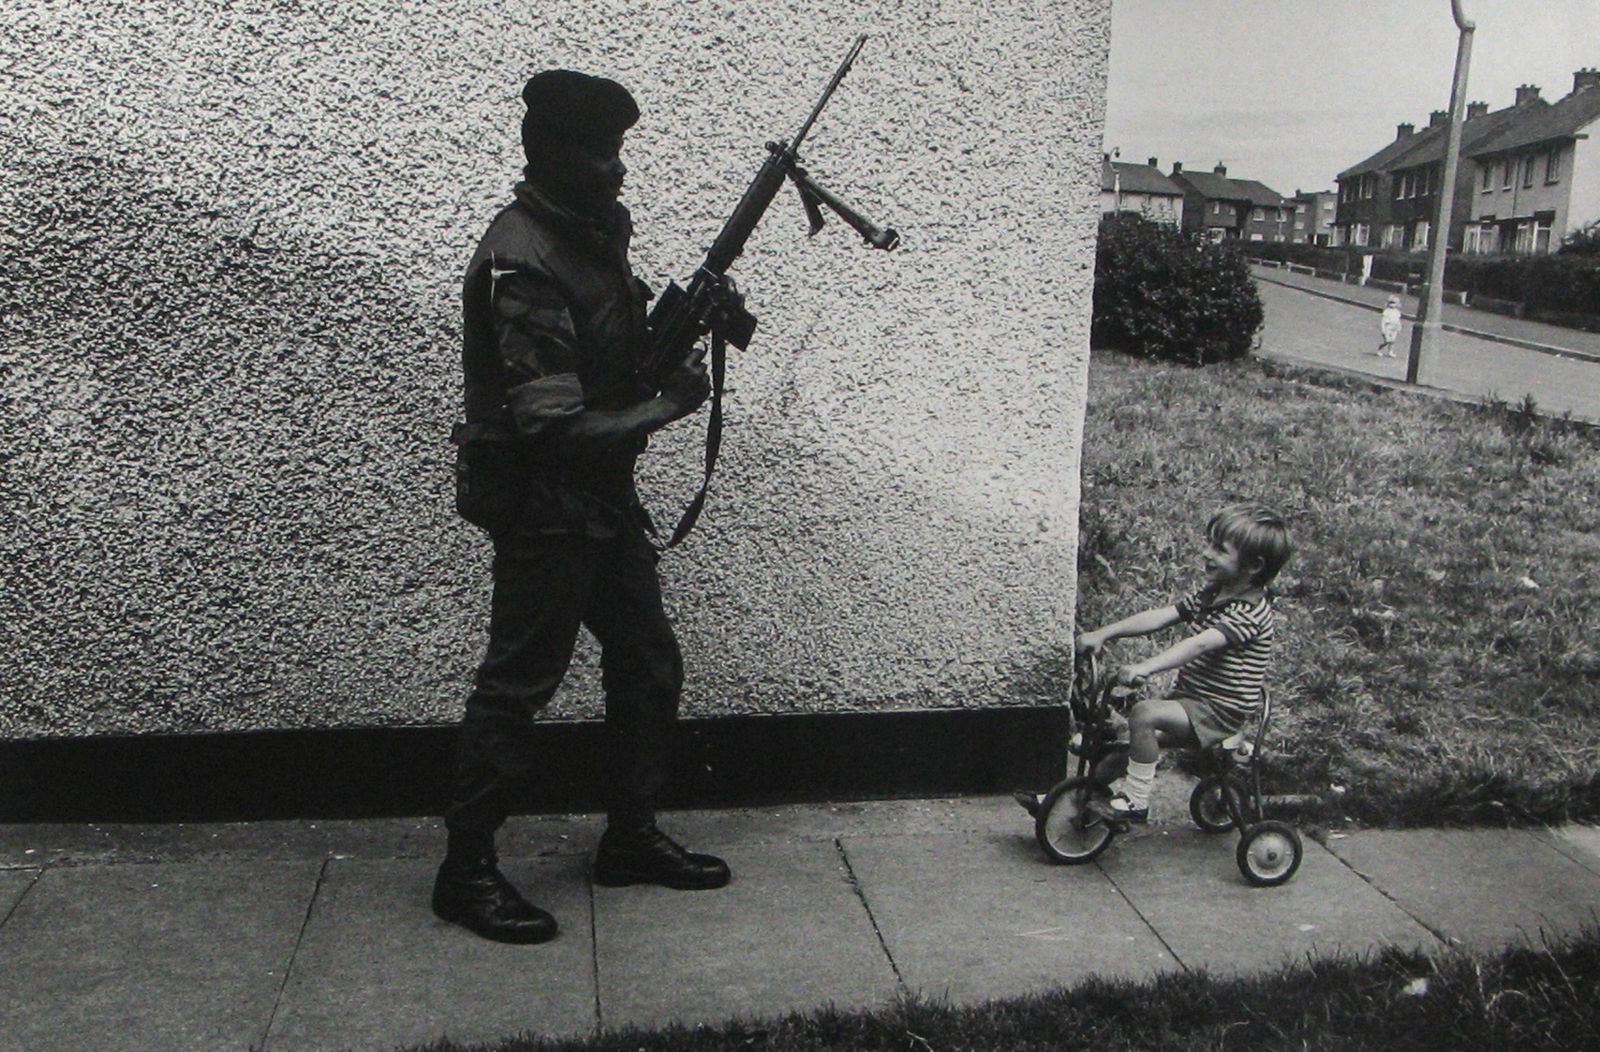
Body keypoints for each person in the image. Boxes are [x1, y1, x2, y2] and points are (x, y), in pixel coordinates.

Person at [434, 69, 729, 945]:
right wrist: (669, 406)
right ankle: (466, 873)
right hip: (547, 505)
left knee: (647, 664)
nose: (617, 169)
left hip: (599, 500)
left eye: (619, 150)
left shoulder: (590, 237)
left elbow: (611, 358)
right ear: (551, 152)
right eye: (601, 151)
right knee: (518, 686)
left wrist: (687, 318)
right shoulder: (523, 257)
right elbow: (552, 426)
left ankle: (630, 839)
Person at [1019, 504, 1291, 825]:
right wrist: (1105, 634)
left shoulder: (1248, 614)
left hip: (1220, 711)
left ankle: (1136, 801)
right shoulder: (1213, 593)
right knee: (1124, 747)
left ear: (1253, 566)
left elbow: (1199, 643)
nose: (1207, 553)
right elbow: (1164, 616)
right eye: (1209, 543)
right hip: (1193, 701)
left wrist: (1146, 667)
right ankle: (1067, 801)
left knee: (1144, 713)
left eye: (1220, 549)